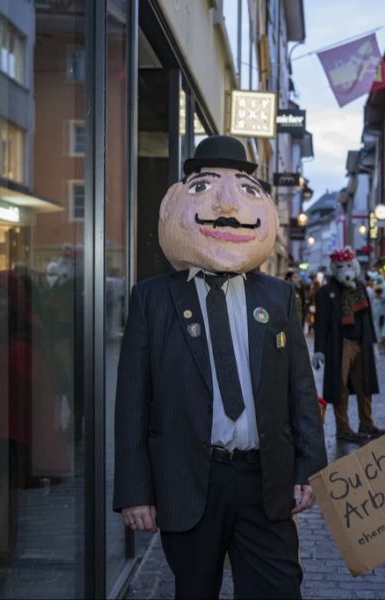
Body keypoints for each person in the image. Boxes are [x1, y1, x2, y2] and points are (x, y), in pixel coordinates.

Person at [113, 135, 327, 599]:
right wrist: (134, 490)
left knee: (279, 589)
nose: (227, 205)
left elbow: (299, 387)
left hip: (263, 481)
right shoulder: (153, 299)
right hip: (190, 481)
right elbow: (132, 399)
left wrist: (310, 467)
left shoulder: (278, 297)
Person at [312, 247, 385, 442]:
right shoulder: (326, 292)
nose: (345, 269)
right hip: (340, 345)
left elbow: (368, 317)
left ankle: (366, 424)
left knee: (365, 386)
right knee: (340, 388)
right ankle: (343, 429)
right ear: (335, 268)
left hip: (362, 343)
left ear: (354, 266)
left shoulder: (361, 288)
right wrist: (318, 350)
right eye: (341, 266)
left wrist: (375, 344)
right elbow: (320, 324)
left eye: (348, 265)